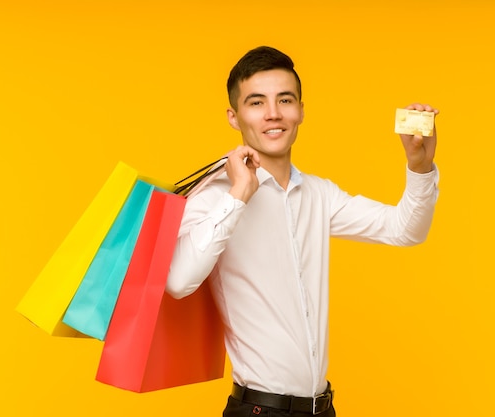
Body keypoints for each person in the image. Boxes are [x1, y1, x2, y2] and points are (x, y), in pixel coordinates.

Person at [166, 45, 439, 416]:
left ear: (301, 111)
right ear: (234, 116)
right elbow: (178, 281)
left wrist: (419, 167)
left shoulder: (318, 194)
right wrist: (239, 194)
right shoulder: (215, 195)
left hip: (321, 408)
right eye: (257, 102)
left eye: (285, 100)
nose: (274, 114)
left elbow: (404, 230)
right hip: (259, 409)